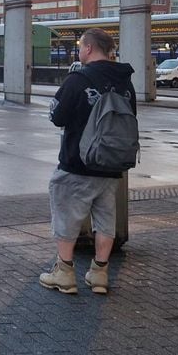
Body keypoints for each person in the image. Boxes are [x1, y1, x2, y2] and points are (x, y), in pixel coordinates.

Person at [39, 28, 136, 296]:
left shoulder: (79, 78)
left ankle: (65, 272)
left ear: (89, 48)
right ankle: (100, 273)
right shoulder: (125, 81)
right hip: (111, 165)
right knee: (105, 219)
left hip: (77, 163)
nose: (79, 51)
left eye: (81, 46)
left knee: (66, 216)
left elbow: (57, 116)